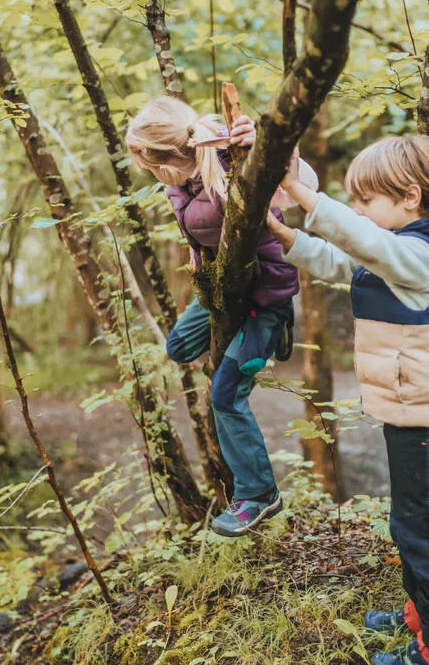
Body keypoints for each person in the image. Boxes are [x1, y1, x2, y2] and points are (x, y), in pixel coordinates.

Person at [267, 135, 429, 665]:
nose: (359, 211)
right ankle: (422, 616)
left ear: (410, 196)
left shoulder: (421, 254)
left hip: (425, 415)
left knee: (422, 528)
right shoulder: (398, 249)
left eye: (366, 200)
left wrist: (299, 191)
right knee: (410, 522)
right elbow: (346, 260)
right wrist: (287, 235)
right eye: (355, 202)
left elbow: (361, 241)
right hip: (407, 409)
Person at [126, 96, 312, 537]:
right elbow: (197, 232)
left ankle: (259, 494)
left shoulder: (233, 155)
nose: (150, 175)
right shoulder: (178, 183)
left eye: (149, 165)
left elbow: (300, 187)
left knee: (225, 394)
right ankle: (243, 343)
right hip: (223, 288)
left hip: (265, 296)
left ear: (167, 158)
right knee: (179, 346)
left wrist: (272, 148)